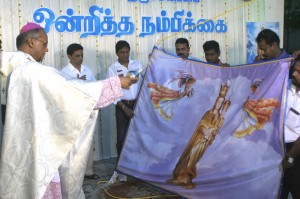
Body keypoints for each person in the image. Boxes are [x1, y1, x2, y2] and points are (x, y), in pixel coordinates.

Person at [0, 22, 135, 199]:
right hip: (37, 146)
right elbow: (73, 91)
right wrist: (117, 83)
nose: (46, 50)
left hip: (18, 144)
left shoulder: (10, 65)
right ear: (32, 42)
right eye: (44, 43)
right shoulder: (31, 69)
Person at [167, 82, 231, 189]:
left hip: (205, 142)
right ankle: (181, 176)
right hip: (199, 138)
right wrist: (206, 131)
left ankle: (187, 178)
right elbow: (201, 125)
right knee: (190, 156)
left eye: (222, 102)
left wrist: (211, 133)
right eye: (218, 101)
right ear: (216, 102)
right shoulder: (208, 113)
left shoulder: (219, 117)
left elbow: (216, 130)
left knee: (195, 159)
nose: (219, 104)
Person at [106, 40, 144, 184]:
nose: (125, 54)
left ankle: (135, 167)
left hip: (137, 105)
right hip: (122, 106)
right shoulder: (113, 69)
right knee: (122, 138)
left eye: (127, 51)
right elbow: (112, 93)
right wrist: (124, 108)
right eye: (122, 52)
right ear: (117, 53)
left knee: (137, 136)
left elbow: (144, 83)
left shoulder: (138, 65)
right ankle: (121, 170)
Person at [61, 43, 99, 180]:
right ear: (69, 56)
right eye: (77, 56)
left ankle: (88, 170)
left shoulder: (87, 70)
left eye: (82, 55)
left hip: (87, 110)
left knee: (88, 140)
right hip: (73, 112)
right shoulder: (64, 72)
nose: (80, 58)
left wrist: (86, 85)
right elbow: (63, 93)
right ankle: (72, 172)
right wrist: (78, 83)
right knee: (74, 142)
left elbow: (95, 87)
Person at [280, 54, 300, 199]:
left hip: (294, 152)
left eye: (299, 72)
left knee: (295, 189)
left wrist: (291, 157)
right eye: (294, 69)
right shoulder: (286, 86)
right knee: (279, 190)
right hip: (278, 147)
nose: (294, 73)